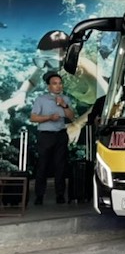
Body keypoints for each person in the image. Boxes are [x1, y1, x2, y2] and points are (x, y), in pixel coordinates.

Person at [30, 71, 73, 205]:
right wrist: (49, 117)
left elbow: (72, 117)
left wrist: (63, 105)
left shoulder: (65, 99)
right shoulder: (41, 99)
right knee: (42, 166)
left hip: (60, 135)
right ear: (49, 86)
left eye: (60, 84)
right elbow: (33, 118)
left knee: (60, 166)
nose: (58, 86)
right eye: (54, 84)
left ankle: (60, 195)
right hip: (46, 136)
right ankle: (39, 195)